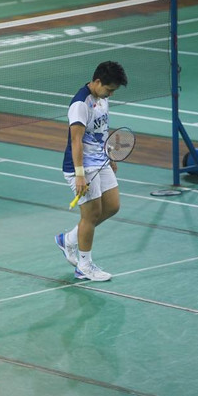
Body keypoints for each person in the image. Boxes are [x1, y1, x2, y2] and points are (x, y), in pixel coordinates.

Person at [55, 61, 128, 282]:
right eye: (109, 89)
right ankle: (84, 266)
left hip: (101, 161)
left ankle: (68, 239)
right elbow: (76, 141)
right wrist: (79, 174)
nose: (111, 94)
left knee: (113, 206)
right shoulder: (80, 103)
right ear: (97, 82)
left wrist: (110, 154)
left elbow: (101, 130)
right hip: (82, 166)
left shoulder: (101, 99)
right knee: (91, 215)